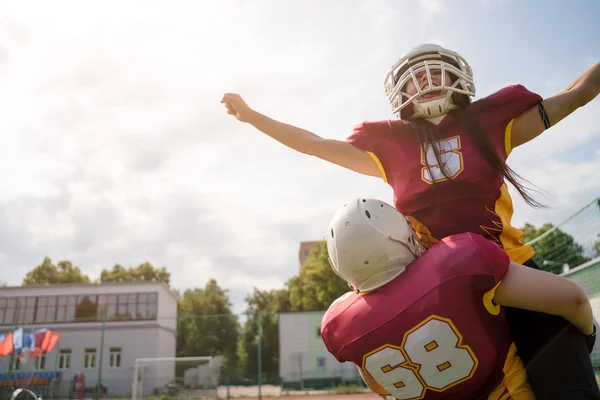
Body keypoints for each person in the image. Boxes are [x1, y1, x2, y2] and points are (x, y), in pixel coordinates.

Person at [221, 43, 600, 392]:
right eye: (416, 76)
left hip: (510, 271)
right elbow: (314, 144)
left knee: (564, 381)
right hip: (444, 287)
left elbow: (578, 94)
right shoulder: (390, 146)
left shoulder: (491, 123)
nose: (427, 81)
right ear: (400, 92)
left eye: (436, 72)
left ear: (457, 79)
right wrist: (254, 117)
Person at [320, 198, 595, 399]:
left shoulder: (340, 324)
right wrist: (587, 334)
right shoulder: (455, 262)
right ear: (401, 236)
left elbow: (380, 387)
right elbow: (574, 301)